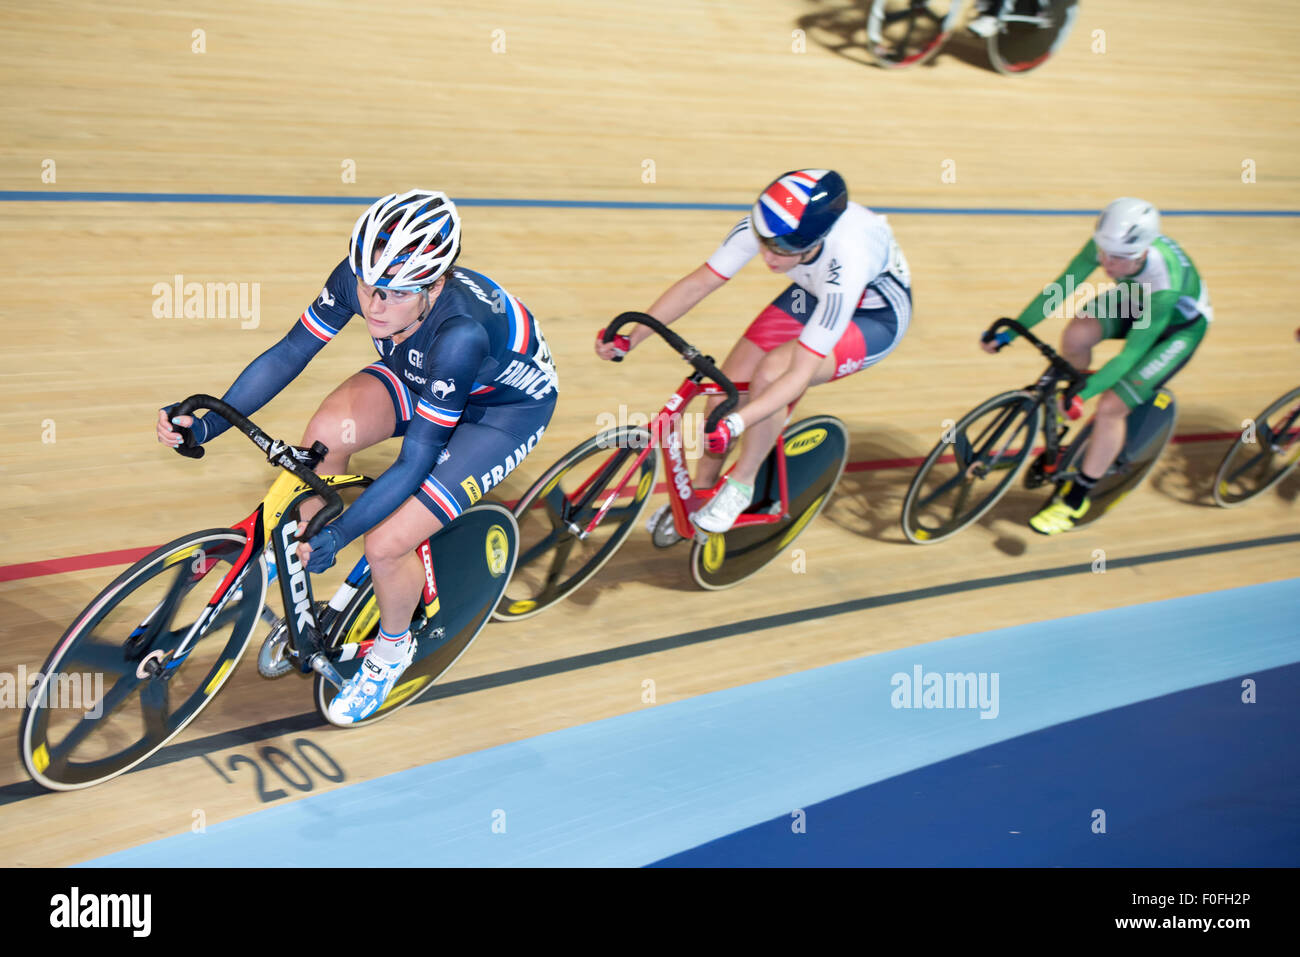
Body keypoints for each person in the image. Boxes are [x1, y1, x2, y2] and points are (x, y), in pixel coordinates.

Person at [157, 190, 558, 722]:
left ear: (434, 285)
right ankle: (302, 551)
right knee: (325, 434)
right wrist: (209, 422)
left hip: (500, 414)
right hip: (424, 372)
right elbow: (290, 353)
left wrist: (342, 536)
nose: (373, 306)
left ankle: (392, 652)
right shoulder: (361, 277)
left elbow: (415, 461)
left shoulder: (461, 333)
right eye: (369, 288)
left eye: (393, 295)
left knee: (387, 543)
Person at [595, 169, 911, 536]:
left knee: (772, 374)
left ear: (816, 241)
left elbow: (797, 374)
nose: (768, 257)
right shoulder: (767, 226)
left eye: (782, 250)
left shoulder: (846, 265)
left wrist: (739, 424)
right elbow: (698, 285)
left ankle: (741, 485)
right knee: (722, 397)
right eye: (764, 243)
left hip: (873, 316)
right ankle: (699, 495)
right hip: (808, 293)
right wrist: (634, 337)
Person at [988, 197, 1211, 534]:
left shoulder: (1163, 281)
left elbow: (1131, 356)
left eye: (1117, 258)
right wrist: (1013, 330)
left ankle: (1076, 499)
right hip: (1138, 299)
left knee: (1110, 407)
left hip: (1176, 329)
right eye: (1103, 252)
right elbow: (1060, 289)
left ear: (1141, 253)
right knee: (1077, 334)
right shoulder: (1110, 245)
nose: (1106, 263)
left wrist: (1087, 392)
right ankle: (1063, 431)